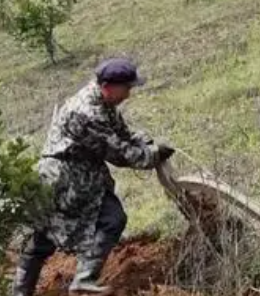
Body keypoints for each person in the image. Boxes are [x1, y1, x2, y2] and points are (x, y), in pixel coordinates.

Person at [11, 58, 175, 296]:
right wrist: (153, 154)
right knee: (104, 220)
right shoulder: (86, 113)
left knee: (49, 235)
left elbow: (122, 133)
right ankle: (76, 281)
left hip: (79, 177)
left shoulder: (102, 102)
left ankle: (40, 288)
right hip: (64, 181)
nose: (129, 94)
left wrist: (144, 141)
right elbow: (119, 153)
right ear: (109, 86)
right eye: (127, 88)